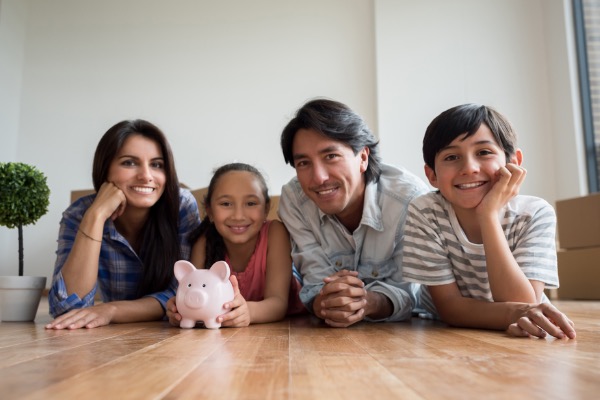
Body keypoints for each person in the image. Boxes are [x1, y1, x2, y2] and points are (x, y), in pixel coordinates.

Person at [402, 103, 576, 339]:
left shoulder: (534, 214)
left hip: (521, 328)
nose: (469, 168)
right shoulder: (426, 211)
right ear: (432, 175)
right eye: (452, 157)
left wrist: (488, 215)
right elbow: (450, 309)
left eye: (484, 152)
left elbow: (523, 306)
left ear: (513, 161)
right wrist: (511, 315)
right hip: (443, 330)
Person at [278, 98, 430, 328]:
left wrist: (369, 302)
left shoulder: (410, 200)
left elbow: (410, 292)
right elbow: (314, 280)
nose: (318, 177)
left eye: (331, 156)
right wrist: (323, 302)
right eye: (303, 163)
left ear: (363, 158)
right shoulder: (294, 200)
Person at [46, 119, 200, 330]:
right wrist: (96, 216)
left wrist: (111, 310)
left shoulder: (181, 206)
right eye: (129, 162)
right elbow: (67, 308)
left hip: (170, 334)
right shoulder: (80, 214)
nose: (146, 176)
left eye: (156, 165)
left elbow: (184, 292)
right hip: (114, 339)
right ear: (105, 168)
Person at [166, 162, 305, 328]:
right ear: (209, 211)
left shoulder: (275, 233)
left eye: (251, 203)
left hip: (289, 327)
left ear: (266, 208)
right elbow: (192, 291)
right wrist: (181, 308)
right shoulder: (204, 241)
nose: (238, 216)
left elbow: (278, 303)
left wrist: (247, 312)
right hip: (224, 332)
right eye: (226, 204)